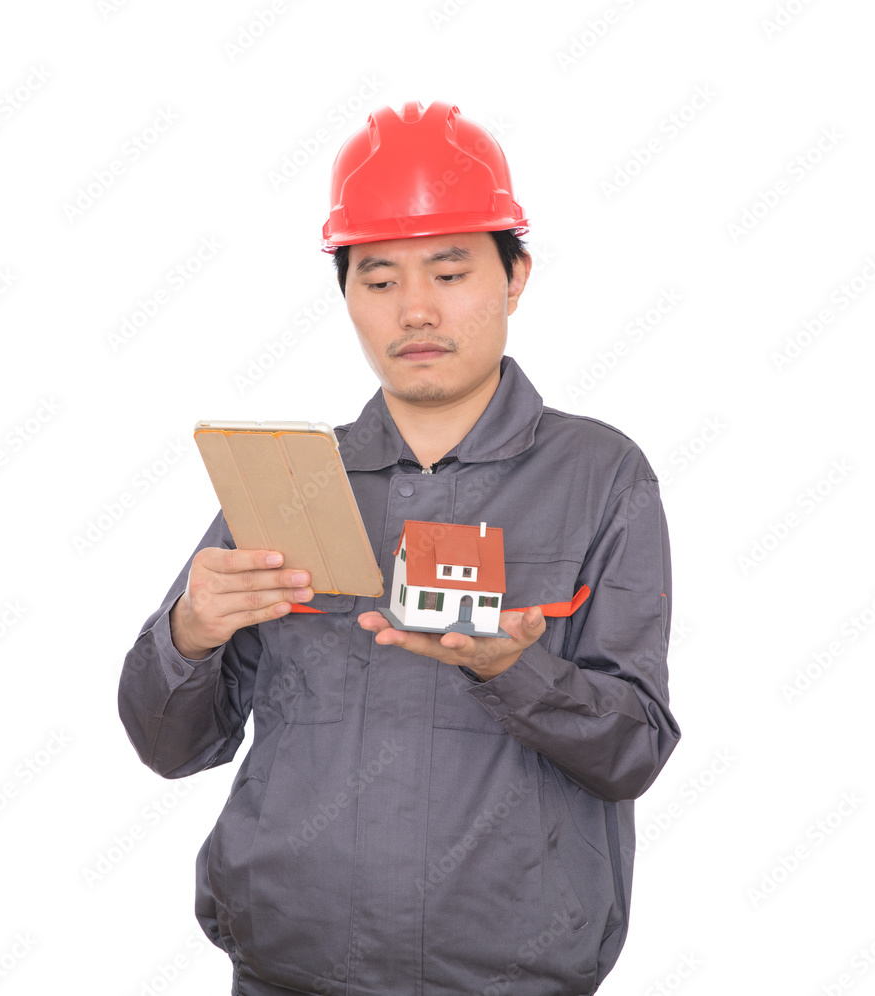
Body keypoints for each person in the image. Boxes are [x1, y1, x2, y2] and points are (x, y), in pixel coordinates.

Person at [118, 99, 680, 996]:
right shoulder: (295, 481)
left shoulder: (599, 476)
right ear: (346, 295)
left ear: (516, 276)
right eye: (379, 281)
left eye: (450, 272)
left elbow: (634, 750)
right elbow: (171, 747)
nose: (415, 309)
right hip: (285, 972)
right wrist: (188, 633)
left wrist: (513, 670)